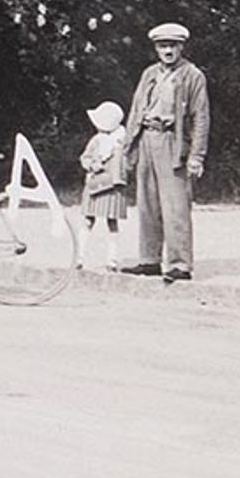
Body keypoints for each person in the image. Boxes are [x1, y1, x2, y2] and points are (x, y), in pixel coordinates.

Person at [121, 22, 210, 284]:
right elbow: (136, 110)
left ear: (181, 46)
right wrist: (129, 146)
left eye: (172, 45)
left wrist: (196, 156)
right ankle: (149, 260)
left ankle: (179, 264)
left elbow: (201, 118)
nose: (168, 50)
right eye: (163, 45)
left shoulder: (193, 76)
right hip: (147, 137)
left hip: (173, 140)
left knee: (175, 205)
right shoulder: (149, 73)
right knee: (147, 202)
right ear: (156, 48)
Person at [78, 99, 131, 271]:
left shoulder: (122, 142)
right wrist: (92, 165)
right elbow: (85, 158)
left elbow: (129, 162)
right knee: (88, 220)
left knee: (112, 222)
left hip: (113, 187)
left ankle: (112, 259)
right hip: (95, 183)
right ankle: (79, 256)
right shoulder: (97, 141)